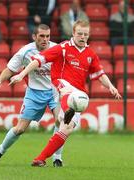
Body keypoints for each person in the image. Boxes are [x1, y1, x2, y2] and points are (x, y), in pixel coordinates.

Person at [9, 20, 122, 167]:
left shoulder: (90, 54)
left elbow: (100, 74)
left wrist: (111, 87)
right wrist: (21, 74)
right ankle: (66, 112)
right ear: (73, 33)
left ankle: (40, 158)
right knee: (69, 94)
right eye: (79, 33)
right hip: (61, 87)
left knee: (66, 128)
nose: (82, 37)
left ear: (89, 35)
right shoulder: (63, 48)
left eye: (85, 34)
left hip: (79, 93)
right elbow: (38, 60)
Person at [0, 24, 64, 167]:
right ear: (34, 36)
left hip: (54, 92)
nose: (45, 39)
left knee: (61, 120)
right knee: (20, 128)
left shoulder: (57, 49)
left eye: (47, 36)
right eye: (41, 36)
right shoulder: (25, 51)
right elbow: (10, 69)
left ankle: (57, 158)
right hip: (34, 93)